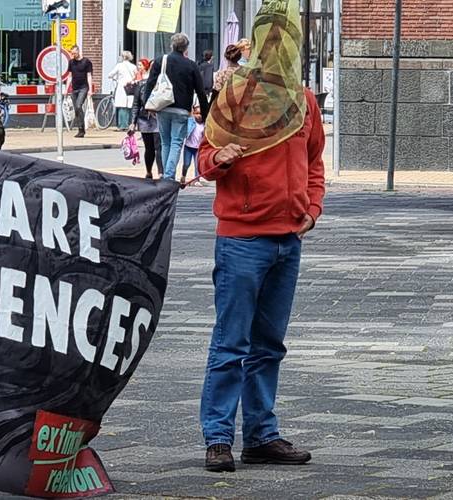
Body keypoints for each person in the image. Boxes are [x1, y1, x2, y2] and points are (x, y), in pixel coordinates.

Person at [194, 1, 322, 472]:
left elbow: (314, 163)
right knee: (231, 343)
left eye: (283, 36)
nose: (276, 45)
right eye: (268, 35)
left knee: (269, 344)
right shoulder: (233, 97)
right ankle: (218, 438)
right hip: (241, 240)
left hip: (287, 238)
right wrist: (219, 158)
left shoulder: (304, 100)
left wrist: (312, 210)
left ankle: (262, 434)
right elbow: (203, 161)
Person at [142, 33, 210, 182]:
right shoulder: (191, 65)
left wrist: (147, 104)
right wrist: (205, 115)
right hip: (182, 109)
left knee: (165, 141)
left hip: (162, 106)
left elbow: (150, 84)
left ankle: (166, 174)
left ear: (172, 45)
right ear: (186, 47)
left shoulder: (161, 61)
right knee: (176, 142)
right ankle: (169, 175)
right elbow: (200, 91)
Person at [129, 67, 162, 179]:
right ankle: (149, 171)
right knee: (149, 147)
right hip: (145, 119)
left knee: (159, 147)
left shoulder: (163, 84)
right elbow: (136, 105)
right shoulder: (141, 85)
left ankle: (161, 173)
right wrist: (133, 122)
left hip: (158, 117)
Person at [68, 46, 94, 138]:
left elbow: (89, 75)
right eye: (72, 53)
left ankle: (81, 128)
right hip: (74, 87)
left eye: (74, 53)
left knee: (79, 105)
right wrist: (67, 88)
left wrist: (90, 89)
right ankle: (80, 130)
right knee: (76, 109)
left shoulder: (86, 62)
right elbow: (70, 76)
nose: (73, 55)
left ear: (78, 51)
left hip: (83, 87)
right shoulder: (71, 62)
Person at [108, 51, 139, 129]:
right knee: (130, 106)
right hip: (131, 86)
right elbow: (137, 75)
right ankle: (130, 124)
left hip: (122, 87)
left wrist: (116, 78)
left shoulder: (119, 66)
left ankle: (122, 125)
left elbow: (110, 74)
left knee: (122, 106)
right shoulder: (133, 66)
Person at [180, 107, 204, 184]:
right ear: (193, 114)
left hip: (198, 148)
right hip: (188, 147)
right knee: (186, 164)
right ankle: (183, 176)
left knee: (197, 165)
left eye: (200, 114)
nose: (199, 116)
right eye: (196, 113)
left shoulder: (204, 125)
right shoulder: (191, 122)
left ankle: (197, 179)